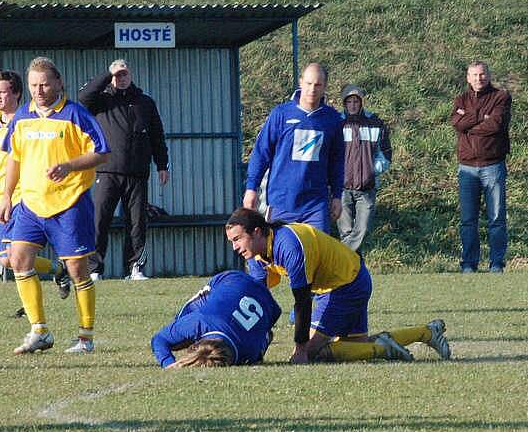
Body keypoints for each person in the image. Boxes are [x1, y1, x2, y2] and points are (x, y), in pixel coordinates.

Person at [225, 208, 451, 364]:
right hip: (350, 277)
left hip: (345, 285)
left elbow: (302, 301)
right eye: (231, 242)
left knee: (316, 352)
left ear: (256, 232)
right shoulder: (255, 255)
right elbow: (258, 296)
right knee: (356, 346)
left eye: (237, 239)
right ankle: (426, 332)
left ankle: (384, 349)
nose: (234, 247)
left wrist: (301, 349)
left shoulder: (289, 245)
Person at [0, 57, 110, 354]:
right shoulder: (22, 117)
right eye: (34, 85)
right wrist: (8, 195)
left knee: (77, 270)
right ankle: (39, 331)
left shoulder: (76, 114)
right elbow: (15, 158)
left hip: (69, 203)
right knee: (17, 259)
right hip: (31, 203)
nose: (39, 90)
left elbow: (101, 153)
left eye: (45, 84)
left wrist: (70, 166)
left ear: (59, 82)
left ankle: (86, 338)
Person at [0, 70, 71, 311]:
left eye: (2, 92)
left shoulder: (26, 119)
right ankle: (58, 269)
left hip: (24, 195)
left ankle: (33, 313)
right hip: (2, 197)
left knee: (18, 256)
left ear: (17, 93)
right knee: (5, 259)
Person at [78, 59, 169, 281]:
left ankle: (135, 268)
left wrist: (162, 165)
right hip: (106, 171)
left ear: (131, 75)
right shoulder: (102, 99)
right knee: (99, 222)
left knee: (137, 224)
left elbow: (157, 135)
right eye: (117, 75)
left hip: (137, 173)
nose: (121, 78)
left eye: (124, 74)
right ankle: (95, 269)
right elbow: (83, 98)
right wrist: (107, 74)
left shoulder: (145, 102)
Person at [243, 63, 344, 233]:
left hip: (315, 205)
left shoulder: (333, 119)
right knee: (280, 255)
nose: (313, 89)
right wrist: (251, 188)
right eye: (309, 83)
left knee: (317, 255)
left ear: (325, 87)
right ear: (301, 82)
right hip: (282, 202)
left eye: (318, 85)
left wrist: (337, 196)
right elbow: (261, 153)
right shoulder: (281, 114)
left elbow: (337, 161)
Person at [151, 270, 281, 368]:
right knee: (178, 328)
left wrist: (168, 363)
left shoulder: (249, 353)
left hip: (270, 306)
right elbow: (159, 340)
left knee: (178, 330)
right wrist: (168, 363)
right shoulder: (200, 322)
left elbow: (268, 335)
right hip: (234, 280)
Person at [451, 61, 511, 274]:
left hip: (493, 166)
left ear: (489, 75)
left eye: (482, 74)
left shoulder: (501, 97)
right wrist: (480, 116)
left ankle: (496, 264)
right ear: (468, 78)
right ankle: (469, 264)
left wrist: (469, 122)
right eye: (474, 75)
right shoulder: (460, 99)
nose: (479, 78)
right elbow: (456, 124)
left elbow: (496, 124)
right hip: (466, 169)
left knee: (496, 219)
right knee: (468, 220)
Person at [337, 84, 392, 252]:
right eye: (349, 102)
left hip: (367, 188)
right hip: (341, 188)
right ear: (344, 104)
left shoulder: (375, 123)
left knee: (362, 229)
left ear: (361, 103)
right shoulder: (336, 124)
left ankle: (342, 258)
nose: (353, 105)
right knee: (345, 232)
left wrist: (370, 170)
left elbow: (386, 155)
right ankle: (353, 267)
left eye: (356, 101)